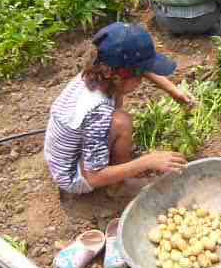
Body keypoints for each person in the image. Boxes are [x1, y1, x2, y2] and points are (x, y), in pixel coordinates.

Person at [44, 22, 190, 196]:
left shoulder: (98, 73)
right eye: (139, 77)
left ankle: (112, 164)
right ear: (120, 76)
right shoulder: (97, 112)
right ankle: (118, 186)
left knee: (117, 107)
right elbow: (93, 177)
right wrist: (148, 161)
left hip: (62, 156)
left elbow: (137, 70)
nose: (142, 80)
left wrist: (172, 90)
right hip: (73, 176)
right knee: (122, 122)